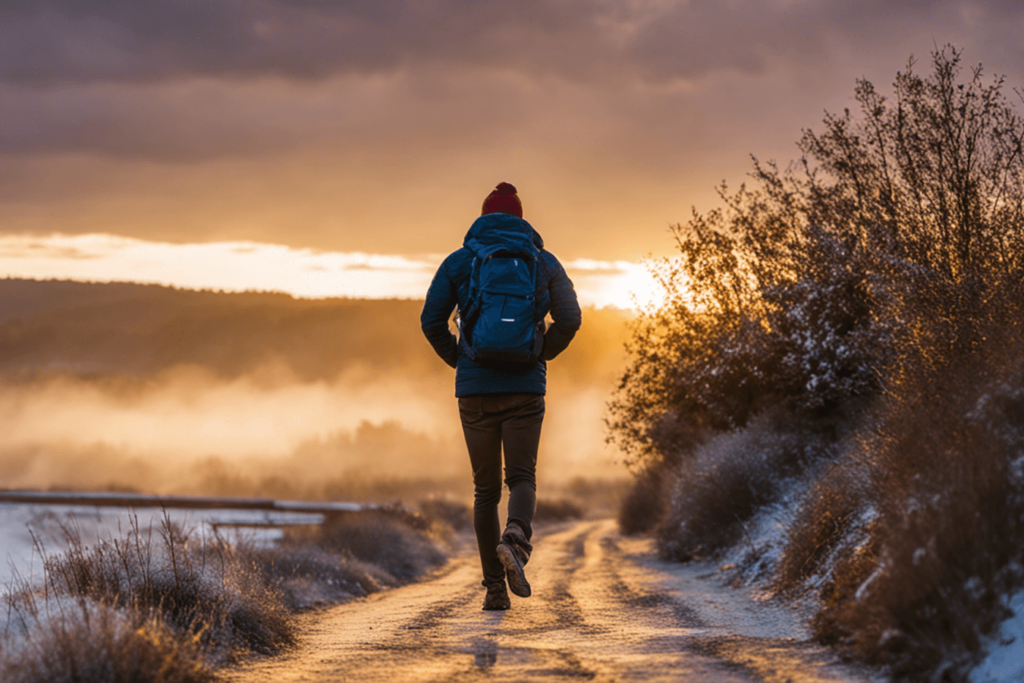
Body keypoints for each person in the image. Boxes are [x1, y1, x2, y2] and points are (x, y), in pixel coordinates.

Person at [420, 182, 582, 611]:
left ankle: (494, 590)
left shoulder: (461, 261)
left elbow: (430, 320)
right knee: (522, 478)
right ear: (520, 218)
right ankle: (516, 538)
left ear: (485, 217)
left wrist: (461, 361)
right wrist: (542, 353)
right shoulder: (542, 261)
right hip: (526, 387)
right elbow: (571, 317)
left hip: (474, 391)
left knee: (484, 491)